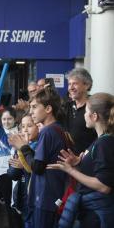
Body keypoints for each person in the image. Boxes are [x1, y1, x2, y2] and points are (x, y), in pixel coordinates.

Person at [48, 92, 114, 227]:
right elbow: (95, 172)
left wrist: (71, 170)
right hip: (91, 211)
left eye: (86, 111)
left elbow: (104, 186)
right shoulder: (100, 141)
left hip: (96, 215)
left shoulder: (104, 143)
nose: (84, 115)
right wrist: (78, 163)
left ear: (94, 116)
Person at [18, 88, 72, 228]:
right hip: (54, 195)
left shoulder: (47, 131)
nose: (31, 112)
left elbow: (37, 167)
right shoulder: (59, 128)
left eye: (35, 107)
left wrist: (23, 147)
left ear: (48, 108)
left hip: (45, 197)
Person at [63, 68, 97, 154]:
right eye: (69, 84)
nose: (71, 88)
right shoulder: (66, 106)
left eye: (75, 84)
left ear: (87, 85)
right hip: (68, 161)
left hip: (87, 161)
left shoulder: (95, 106)